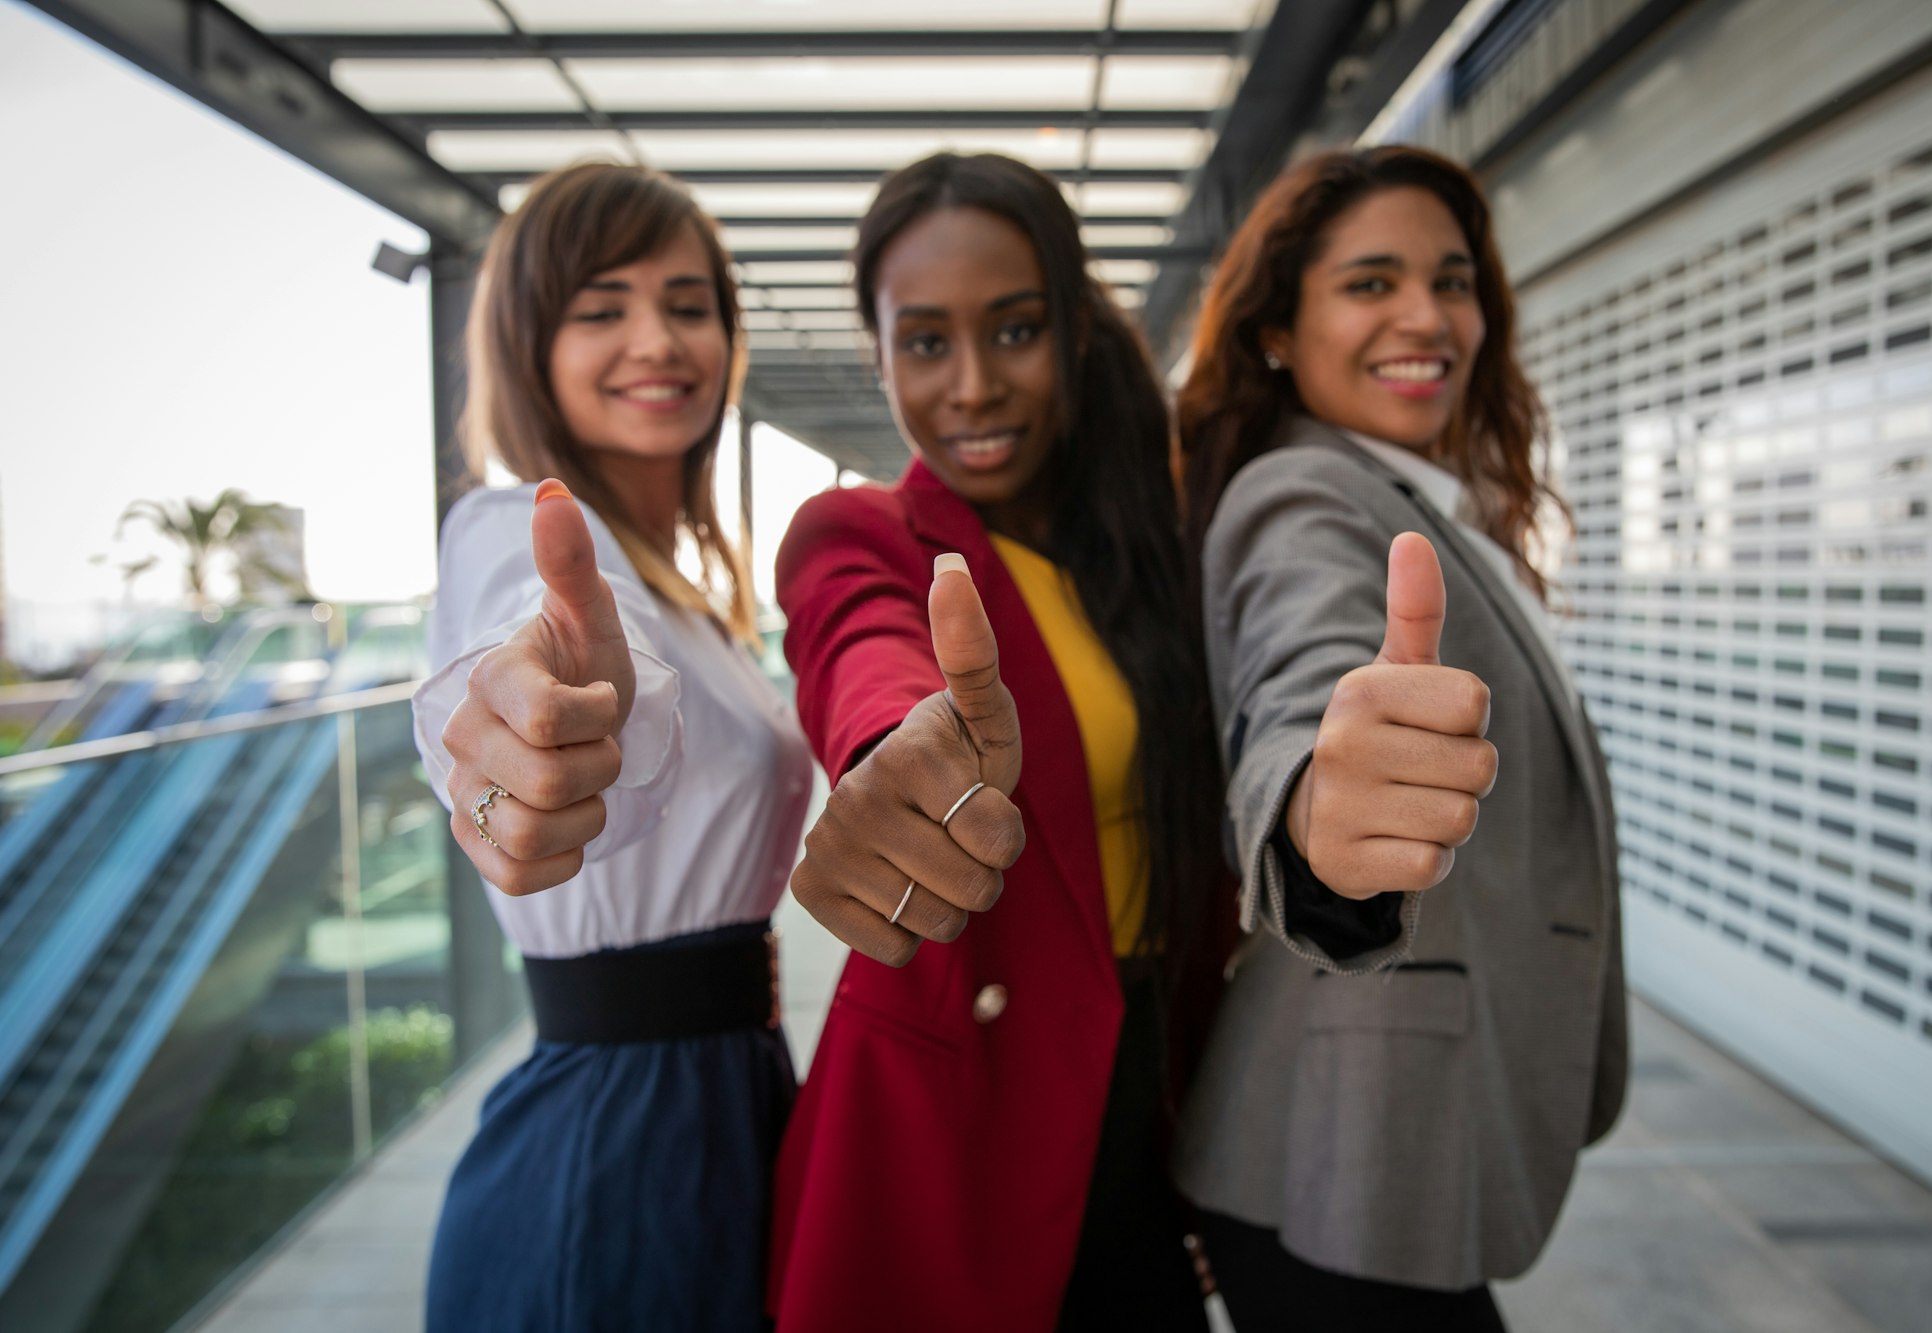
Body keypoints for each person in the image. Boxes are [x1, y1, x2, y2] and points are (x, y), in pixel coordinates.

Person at [1171, 145, 1629, 1331]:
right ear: (1278, 328)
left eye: (1451, 279)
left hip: (1388, 1129)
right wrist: (1323, 817)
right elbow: (1302, 681)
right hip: (1338, 1143)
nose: (1426, 314)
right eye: (1369, 282)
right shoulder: (1304, 498)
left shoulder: (1418, 495)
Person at [767, 152, 1227, 1333]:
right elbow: (863, 648)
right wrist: (888, 755)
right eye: (924, 342)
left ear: (1072, 333)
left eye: (1013, 329)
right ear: (877, 352)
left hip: (1139, 1106)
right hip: (958, 1137)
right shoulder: (858, 531)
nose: (971, 385)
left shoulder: (1138, 549)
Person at [412, 162, 813, 1332]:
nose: (658, 339)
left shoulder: (677, 582)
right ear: (530, 342)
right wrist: (539, 723)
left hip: (721, 1099)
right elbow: (540, 644)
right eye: (602, 308)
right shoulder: (525, 527)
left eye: (689, 305)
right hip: (618, 1145)